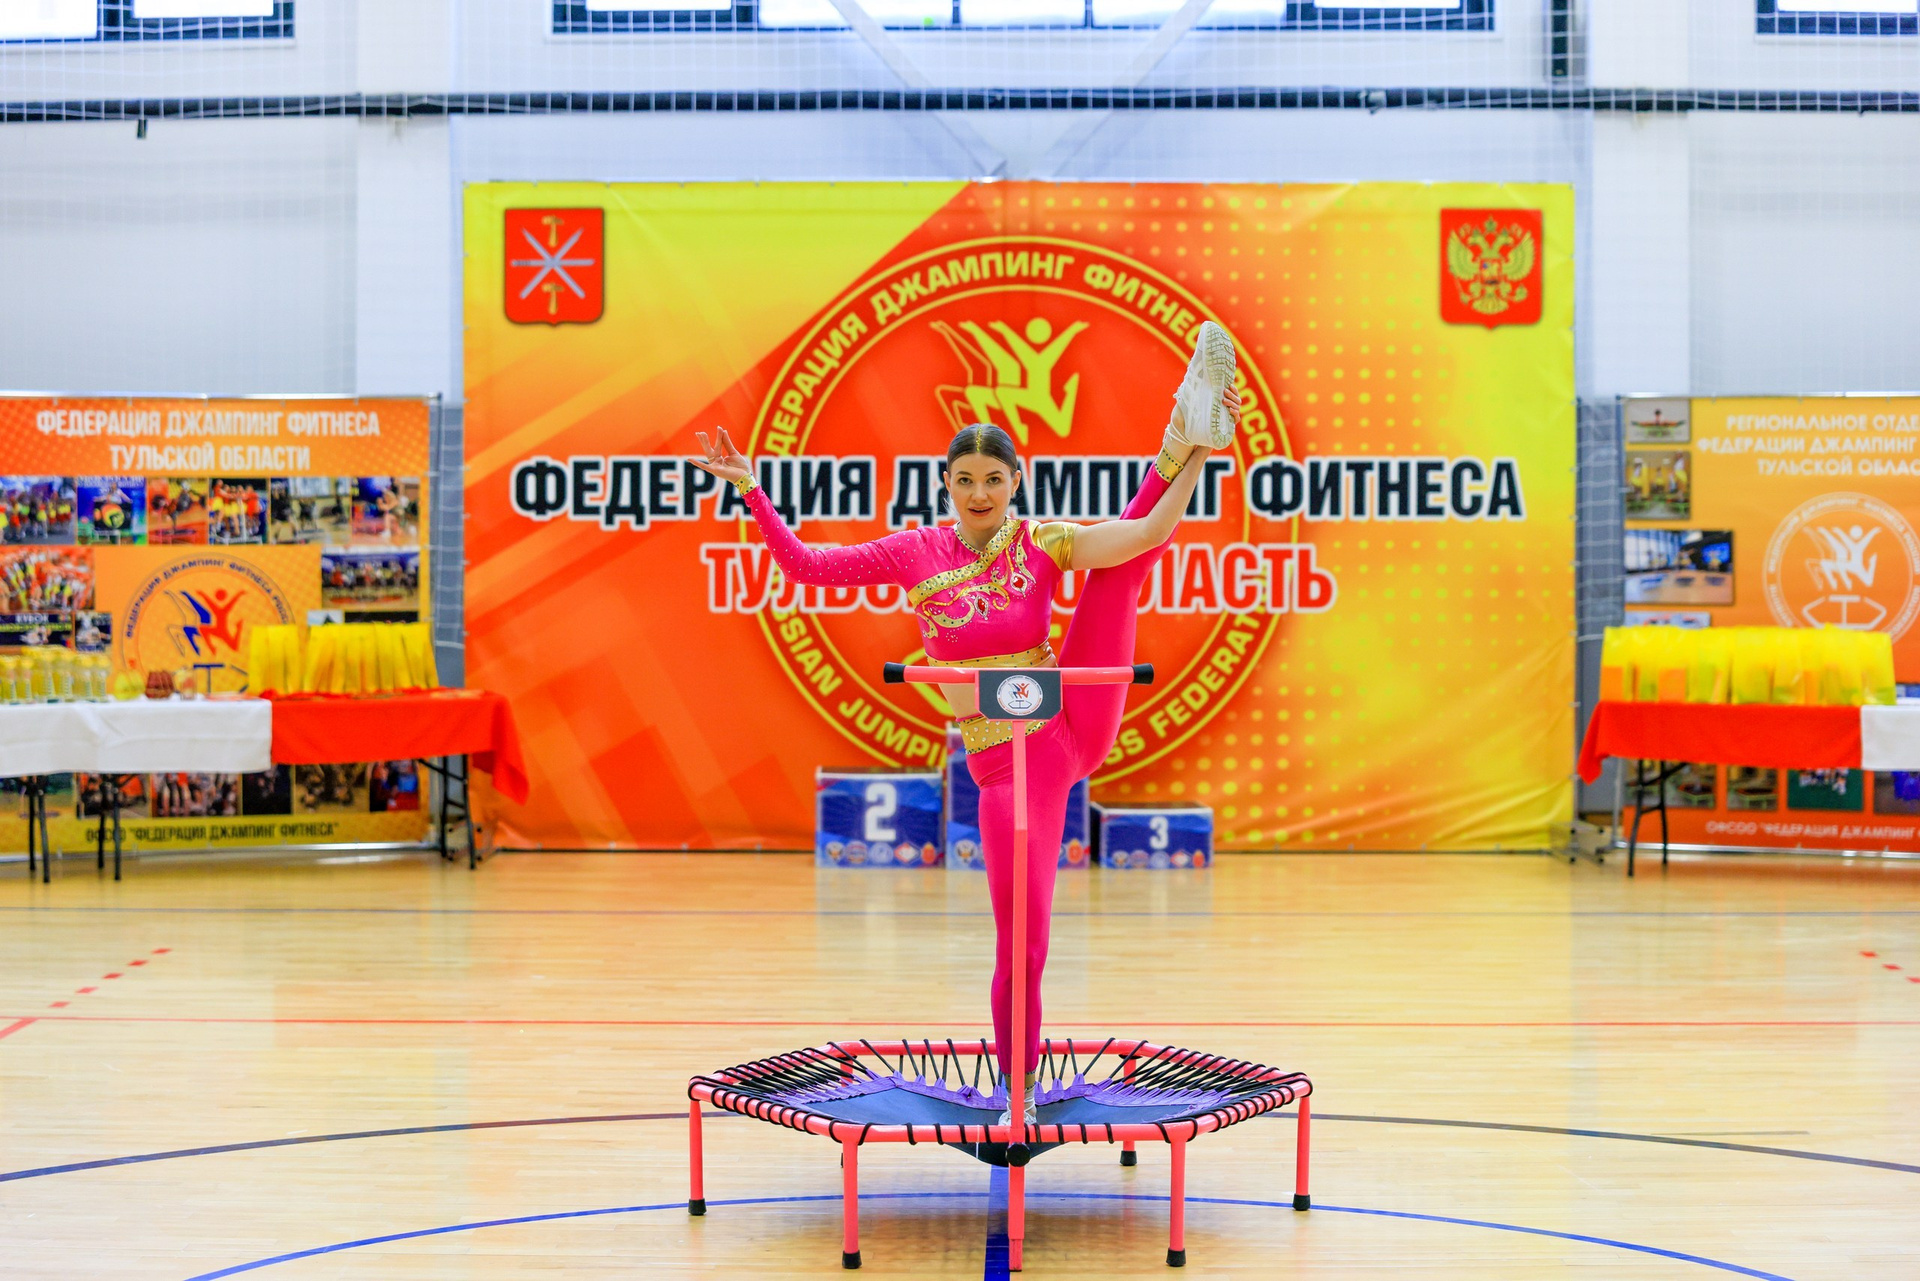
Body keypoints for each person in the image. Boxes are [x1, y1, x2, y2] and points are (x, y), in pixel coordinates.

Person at [690, 320, 1242, 1125]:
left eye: (993, 478)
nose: (980, 493)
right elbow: (806, 565)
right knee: (1022, 942)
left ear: (1016, 481)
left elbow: (1150, 534)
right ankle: (1018, 1088)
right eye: (965, 479)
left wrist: (1202, 458)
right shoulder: (914, 552)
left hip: (1066, 728)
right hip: (1001, 766)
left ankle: (1183, 433)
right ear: (946, 484)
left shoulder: (1042, 542)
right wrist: (750, 489)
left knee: (1117, 574)